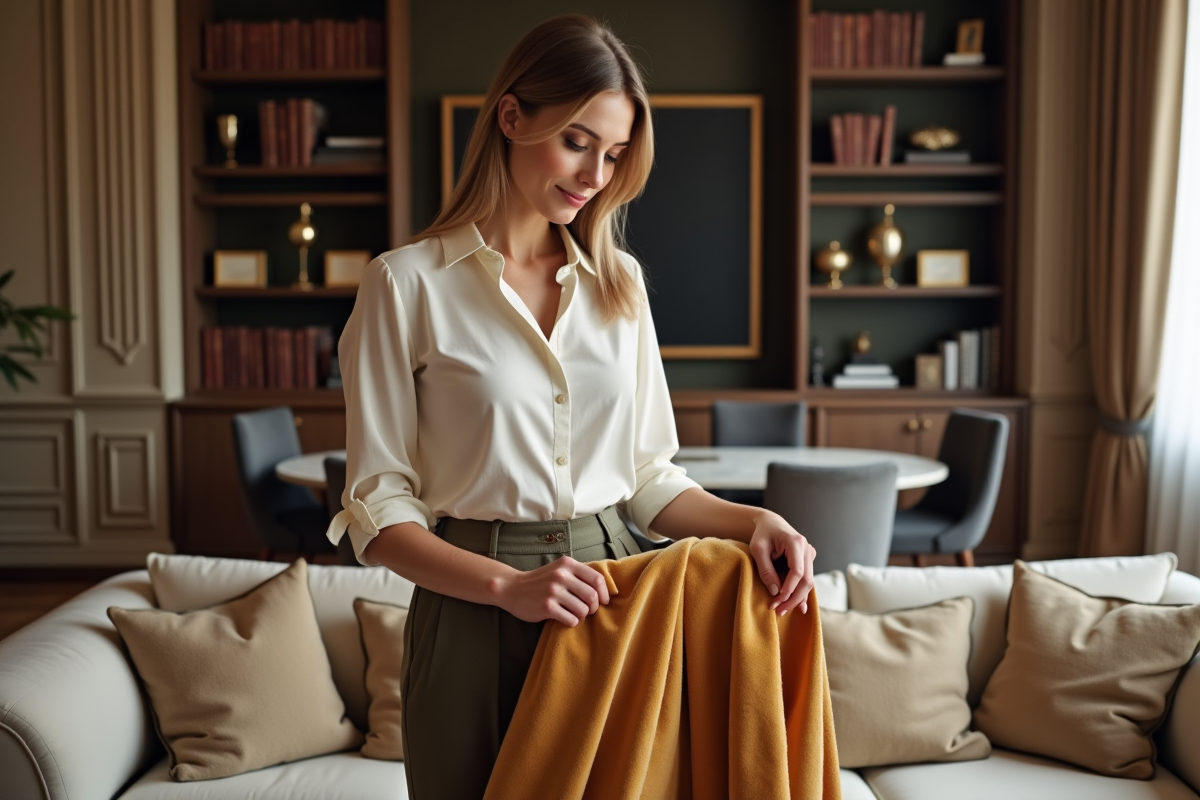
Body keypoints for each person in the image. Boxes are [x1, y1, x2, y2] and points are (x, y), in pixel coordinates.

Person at [326, 13, 818, 800]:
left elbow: (650, 478)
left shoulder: (618, 285)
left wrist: (753, 521)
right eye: (578, 141)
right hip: (471, 612)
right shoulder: (405, 284)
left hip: (615, 601)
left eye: (615, 154)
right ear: (513, 116)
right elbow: (377, 513)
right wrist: (505, 588)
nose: (595, 174)